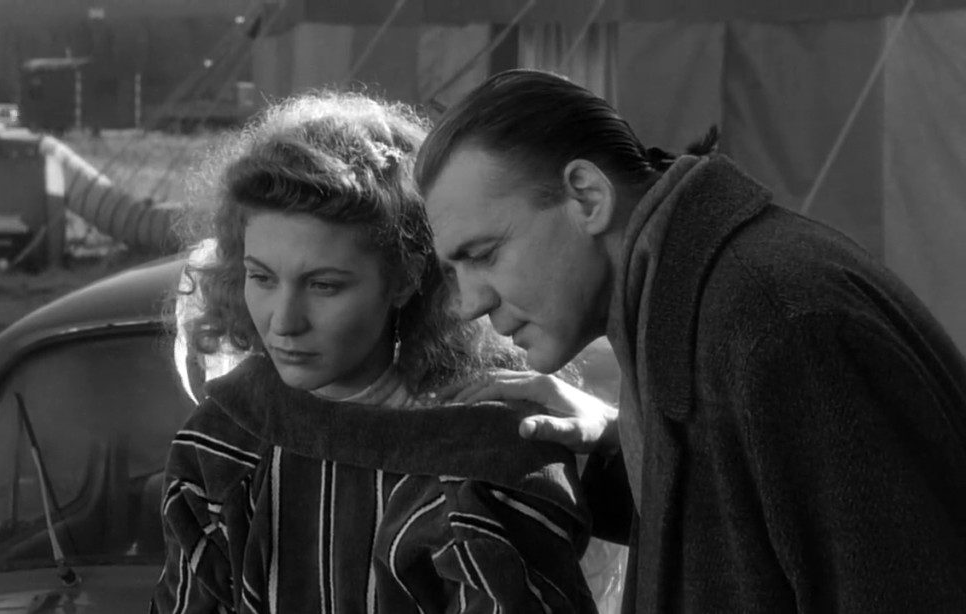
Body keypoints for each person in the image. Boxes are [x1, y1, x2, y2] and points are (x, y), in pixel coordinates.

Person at [413, 68, 966, 613]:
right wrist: (628, 441)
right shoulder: (702, 313)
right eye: (454, 272)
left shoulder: (779, 326)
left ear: (587, 196)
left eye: (483, 254)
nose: (468, 304)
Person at [151, 91, 604, 613]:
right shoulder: (221, 444)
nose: (284, 321)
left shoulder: (488, 458)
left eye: (324, 285)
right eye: (262, 278)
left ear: (406, 277)